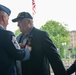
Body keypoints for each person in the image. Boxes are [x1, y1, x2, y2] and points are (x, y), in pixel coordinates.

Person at [0, 4, 31, 75]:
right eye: (8, 19)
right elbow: (20, 55)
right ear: (3, 18)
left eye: (19, 22)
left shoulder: (41, 35)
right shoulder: (7, 35)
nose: (7, 23)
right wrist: (27, 49)